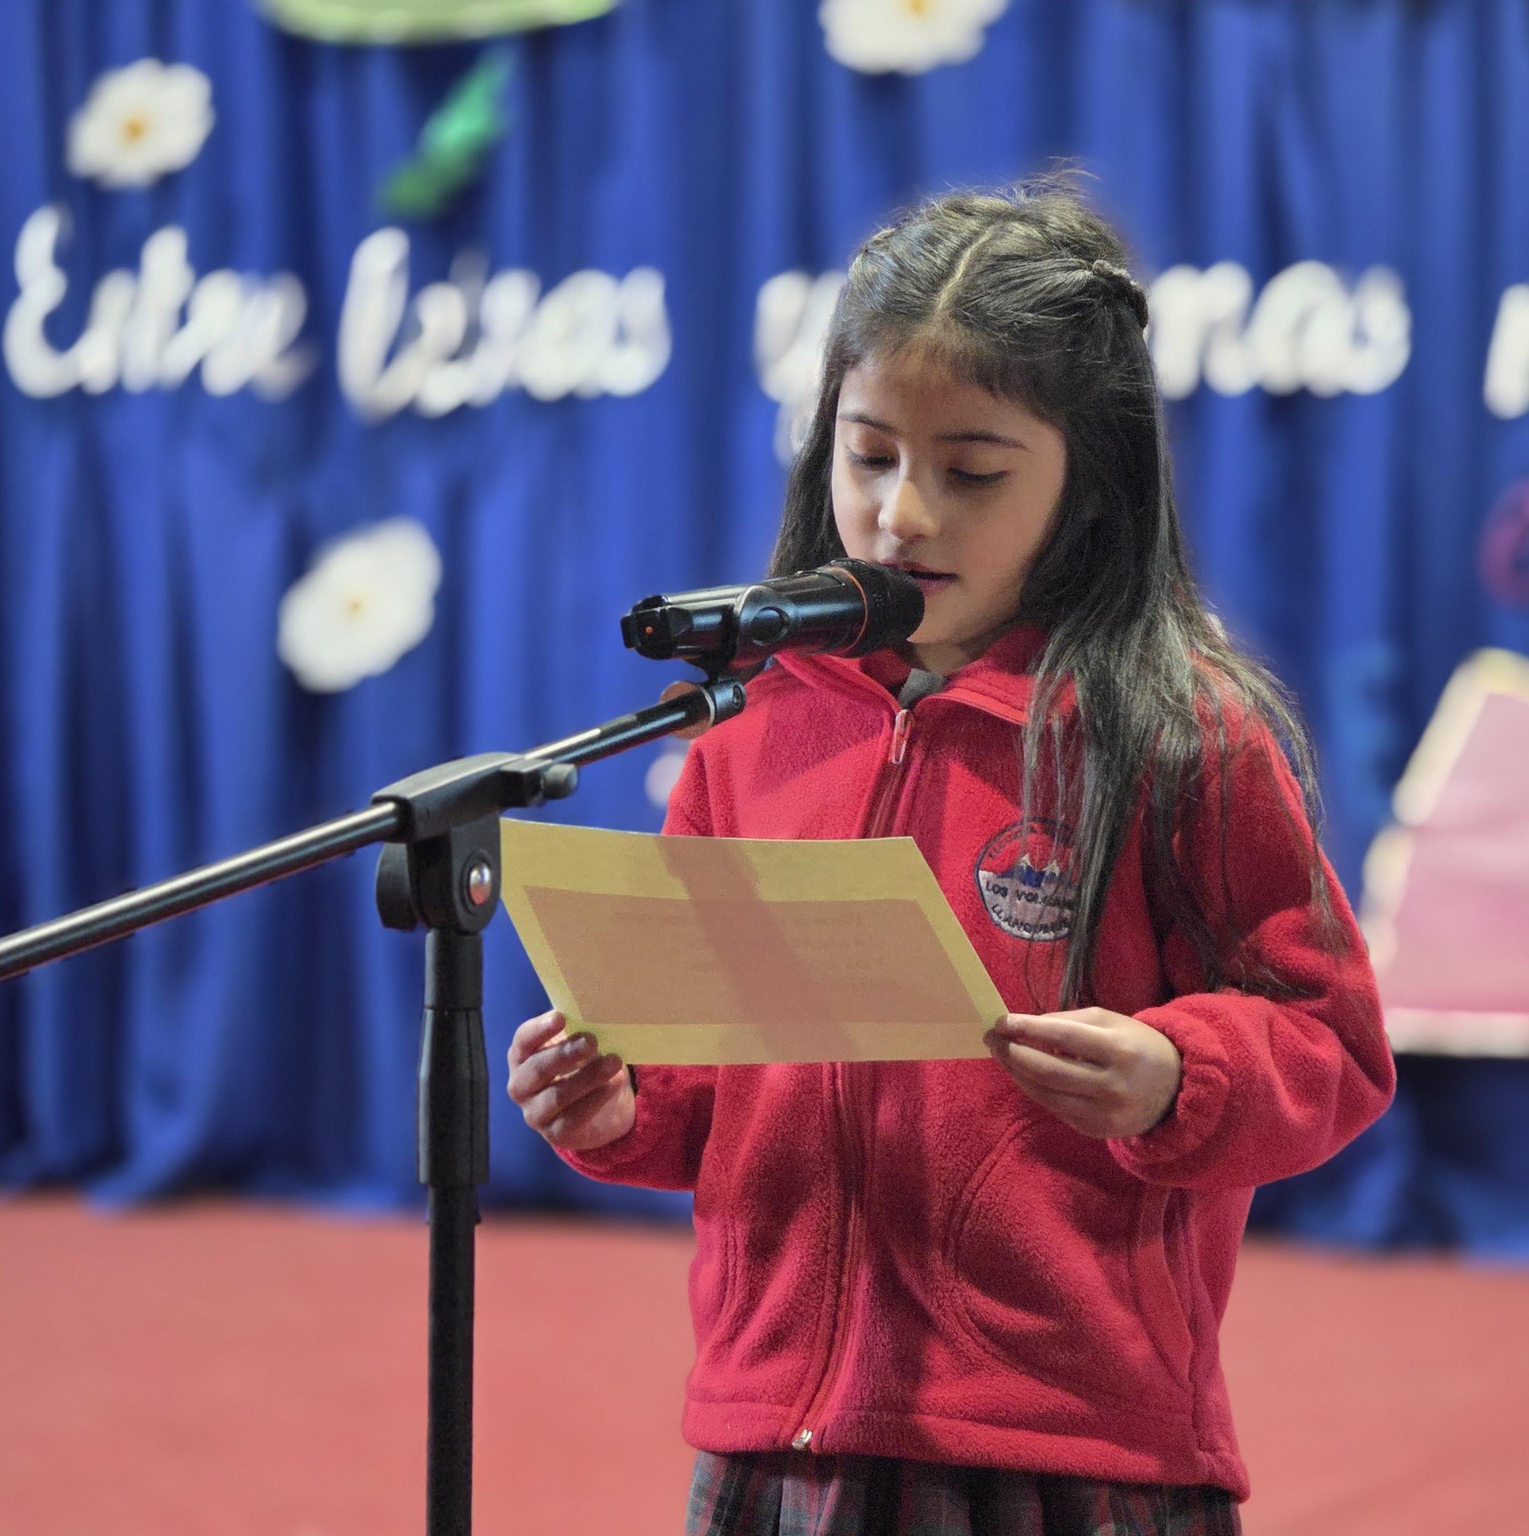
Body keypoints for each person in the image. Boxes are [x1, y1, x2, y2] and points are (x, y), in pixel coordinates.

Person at [505, 181, 1394, 1535]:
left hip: (1067, 1446)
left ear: (1088, 483)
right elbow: (706, 1078)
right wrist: (618, 1105)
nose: (903, 515)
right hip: (776, 1432)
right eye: (868, 457)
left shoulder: (1179, 732)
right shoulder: (747, 724)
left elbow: (1333, 1044)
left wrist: (1178, 1074)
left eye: (972, 473)